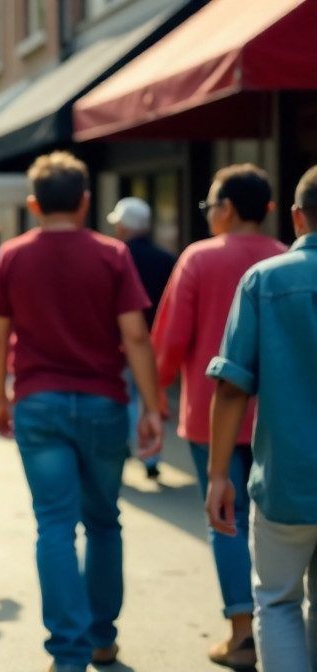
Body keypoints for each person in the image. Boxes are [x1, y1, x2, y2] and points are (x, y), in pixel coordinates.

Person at [0, 152, 163, 672]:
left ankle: (68, 653)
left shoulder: (13, 256)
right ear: (86, 201)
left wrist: (0, 396)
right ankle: (103, 637)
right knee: (104, 522)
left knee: (55, 525)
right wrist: (152, 406)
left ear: (34, 203)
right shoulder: (112, 254)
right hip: (105, 403)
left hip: (38, 402)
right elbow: (134, 334)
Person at [153, 164, 286, 671]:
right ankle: (281, 623)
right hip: (278, 414)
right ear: (271, 212)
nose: (209, 214)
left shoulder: (198, 258)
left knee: (223, 518)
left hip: (211, 416)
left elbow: (171, 339)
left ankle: (241, 632)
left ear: (227, 209)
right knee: (272, 520)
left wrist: (155, 396)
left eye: (210, 205)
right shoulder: (282, 258)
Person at [207, 165, 317, 672]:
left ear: (296, 217)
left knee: (276, 601)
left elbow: (231, 387)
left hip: (286, 478)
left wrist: (217, 476)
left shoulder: (265, 280)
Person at [109, 197, 176, 480]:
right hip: (156, 340)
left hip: (120, 340)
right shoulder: (166, 258)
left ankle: (124, 445)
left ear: (123, 226)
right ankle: (152, 456)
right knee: (151, 398)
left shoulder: (114, 257)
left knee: (125, 397)